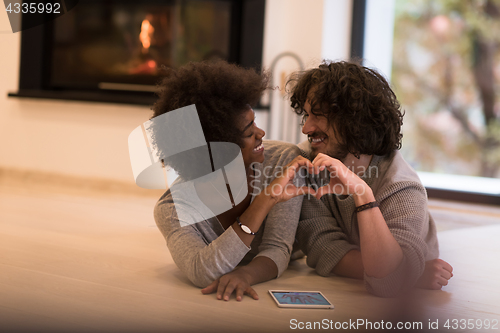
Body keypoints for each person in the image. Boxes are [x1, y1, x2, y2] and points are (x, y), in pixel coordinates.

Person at [151, 60, 315, 302]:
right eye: (249, 133)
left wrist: (246, 274)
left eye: (255, 123)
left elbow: (278, 248)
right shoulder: (174, 208)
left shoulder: (283, 162)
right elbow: (201, 270)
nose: (261, 134)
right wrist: (264, 201)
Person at [287, 60, 453, 297]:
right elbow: (323, 249)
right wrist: (409, 273)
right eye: (307, 115)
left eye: (319, 115)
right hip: (344, 293)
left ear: (355, 121)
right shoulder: (307, 163)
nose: (306, 128)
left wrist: (361, 193)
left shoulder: (402, 187)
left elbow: (388, 283)